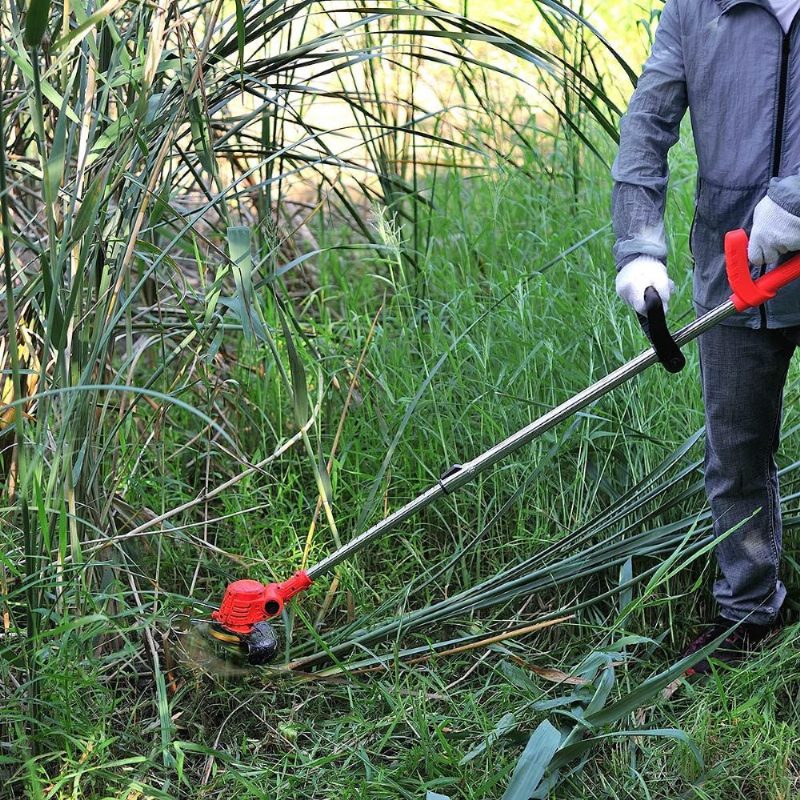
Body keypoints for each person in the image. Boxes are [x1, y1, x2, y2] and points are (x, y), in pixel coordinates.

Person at [612, 0, 800, 674]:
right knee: (736, 453)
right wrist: (637, 247)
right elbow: (648, 126)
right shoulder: (695, 8)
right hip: (734, 270)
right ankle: (750, 614)